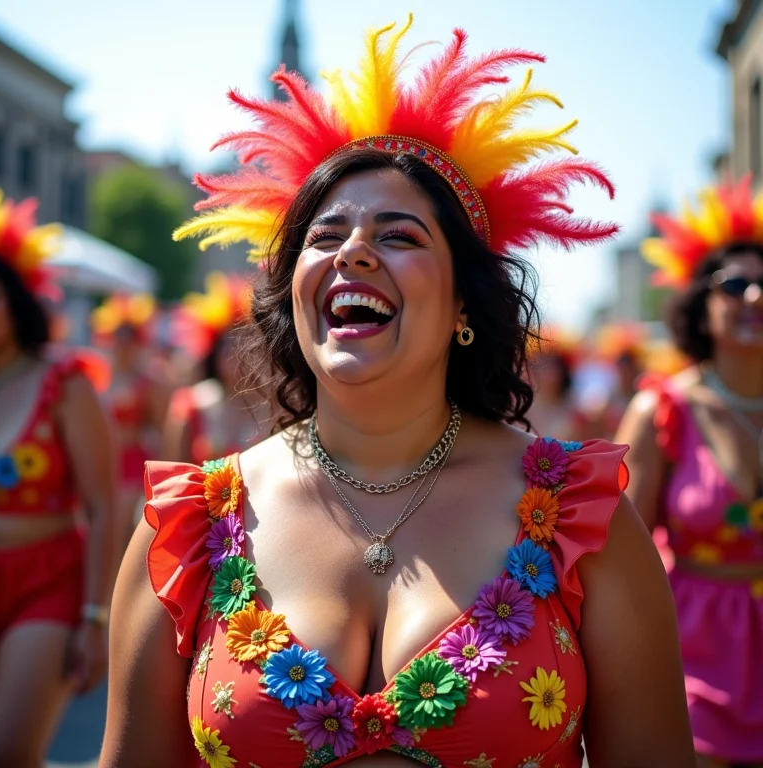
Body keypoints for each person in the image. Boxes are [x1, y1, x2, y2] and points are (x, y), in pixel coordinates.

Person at [101, 18, 693, 767]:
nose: (353, 250)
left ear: (463, 307)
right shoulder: (185, 527)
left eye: (399, 236)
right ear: (294, 299)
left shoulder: (583, 518)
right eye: (325, 236)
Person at [616, 176, 763, 767]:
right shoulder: (662, 410)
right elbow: (619, 558)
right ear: (701, 302)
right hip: (694, 657)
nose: (755, 298)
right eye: (736, 285)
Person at [0, 190, 116, 767]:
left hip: (46, 580)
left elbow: (102, 505)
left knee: (11, 749)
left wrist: (96, 618)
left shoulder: (65, 383)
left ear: (17, 302)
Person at [163, 272, 275, 464]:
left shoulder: (277, 408)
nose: (236, 351)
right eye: (227, 342)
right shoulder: (190, 406)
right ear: (213, 351)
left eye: (245, 340)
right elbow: (174, 478)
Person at [90, 293, 169, 530]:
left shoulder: (148, 381)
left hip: (134, 461)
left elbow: (161, 429)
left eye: (129, 335)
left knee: (123, 524)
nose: (123, 342)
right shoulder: (96, 379)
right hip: (102, 459)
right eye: (118, 334)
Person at [526, 330, 580, 441]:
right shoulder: (523, 406)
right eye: (536, 362)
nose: (541, 369)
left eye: (550, 363)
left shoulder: (574, 406)